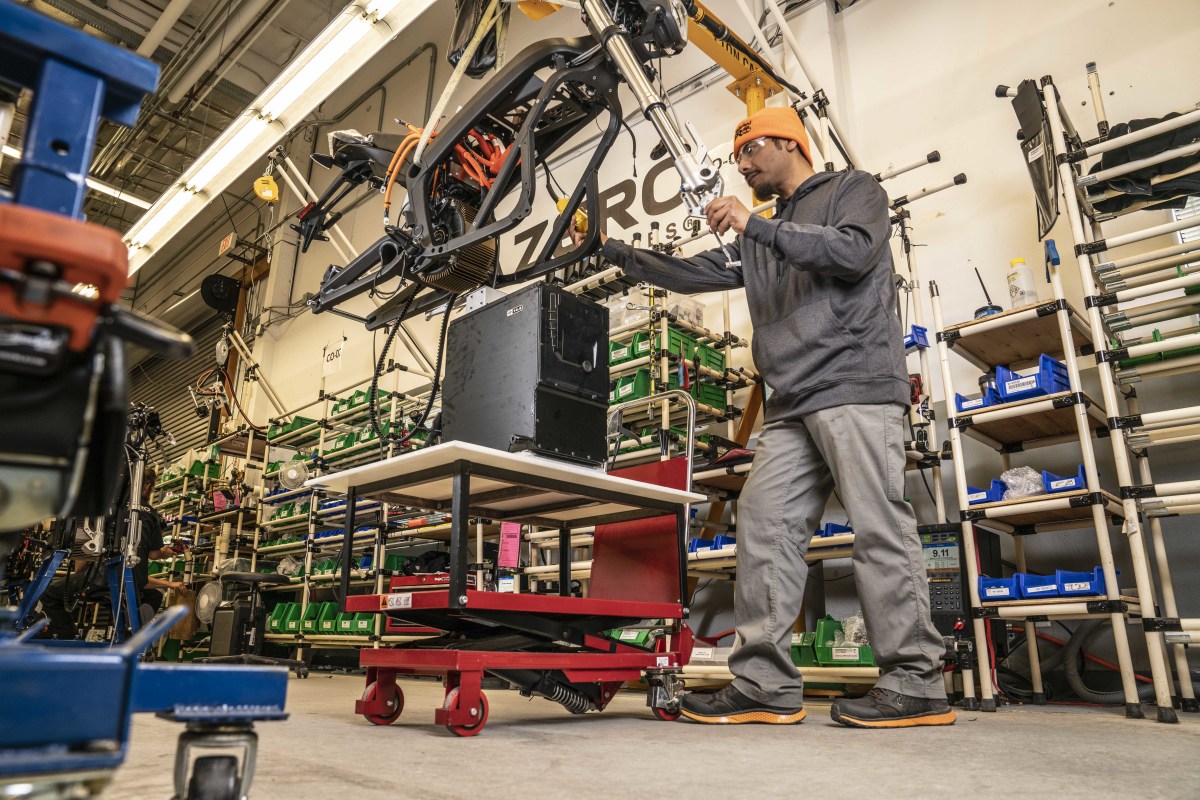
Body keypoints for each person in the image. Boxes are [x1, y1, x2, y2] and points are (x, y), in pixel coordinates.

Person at [574, 106, 954, 728]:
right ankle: (764, 682)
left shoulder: (852, 190)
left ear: (787, 143)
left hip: (854, 382)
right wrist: (610, 249)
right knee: (763, 524)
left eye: (749, 150)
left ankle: (916, 681)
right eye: (737, 156)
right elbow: (696, 273)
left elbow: (853, 252)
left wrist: (755, 225)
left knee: (878, 526)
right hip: (791, 401)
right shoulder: (763, 234)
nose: (741, 165)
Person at [41, 469, 186, 639]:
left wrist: (78, 576)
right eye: (152, 487)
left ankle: (69, 637)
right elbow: (154, 554)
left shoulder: (109, 508)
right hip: (135, 581)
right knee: (152, 596)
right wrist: (166, 553)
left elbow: (83, 559)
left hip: (103, 579)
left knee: (49, 592)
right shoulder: (151, 514)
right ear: (146, 486)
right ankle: (130, 628)